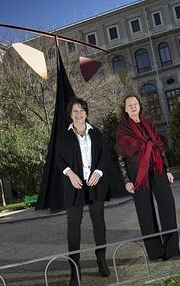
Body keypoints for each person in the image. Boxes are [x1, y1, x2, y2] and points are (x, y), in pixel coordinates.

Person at [116, 95, 180, 261]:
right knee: (145, 213)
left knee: (167, 206)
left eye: (135, 104)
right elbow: (120, 155)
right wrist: (126, 180)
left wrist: (167, 170)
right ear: (124, 108)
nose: (133, 107)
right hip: (137, 174)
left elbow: (160, 149)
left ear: (140, 106)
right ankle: (155, 253)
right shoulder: (122, 129)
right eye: (129, 105)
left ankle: (173, 250)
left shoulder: (149, 125)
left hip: (157, 169)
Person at [56, 98, 110, 286]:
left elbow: (105, 155)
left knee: (99, 222)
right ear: (70, 114)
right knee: (73, 226)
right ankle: (74, 269)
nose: (79, 114)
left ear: (87, 112)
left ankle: (101, 260)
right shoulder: (63, 135)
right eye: (75, 111)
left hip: (95, 183)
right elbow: (58, 159)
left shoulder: (96, 133)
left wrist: (98, 172)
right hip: (74, 185)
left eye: (82, 110)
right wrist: (69, 173)